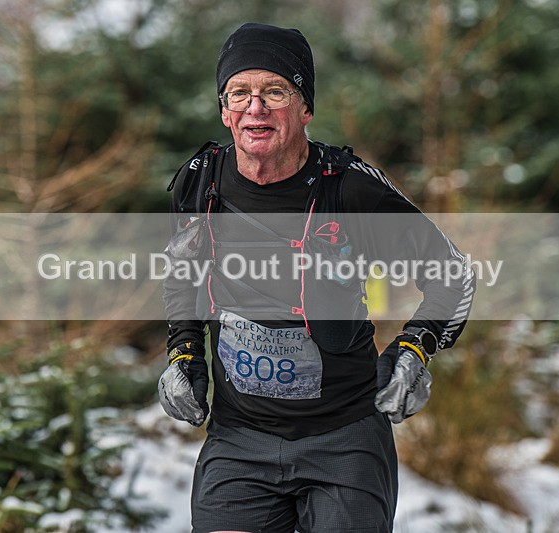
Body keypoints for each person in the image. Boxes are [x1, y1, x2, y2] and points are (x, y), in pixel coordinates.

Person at [158, 22, 475, 532]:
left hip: (344, 438)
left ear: (305, 108)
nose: (254, 108)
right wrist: (184, 351)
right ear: (223, 109)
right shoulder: (198, 183)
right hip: (239, 438)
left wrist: (414, 349)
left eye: (275, 91)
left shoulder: (351, 192)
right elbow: (181, 276)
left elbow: (452, 276)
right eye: (239, 92)